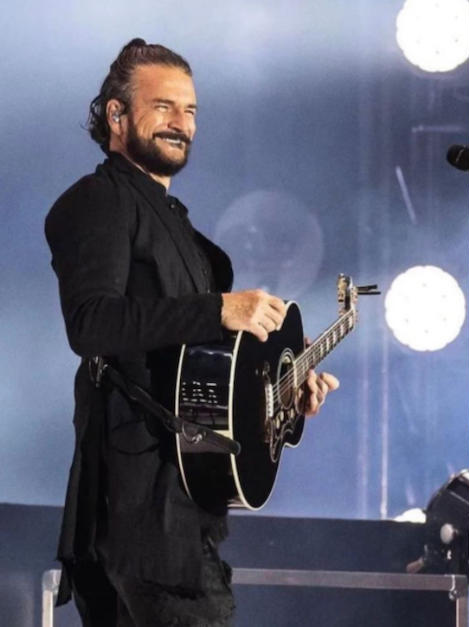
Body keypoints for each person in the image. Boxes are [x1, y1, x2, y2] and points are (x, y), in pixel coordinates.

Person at [44, 39, 338, 626]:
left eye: (192, 111)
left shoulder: (177, 226)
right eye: (165, 107)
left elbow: (202, 375)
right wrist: (218, 310)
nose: (183, 124)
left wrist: (277, 401)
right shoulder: (97, 202)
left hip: (184, 500)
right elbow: (91, 324)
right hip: (138, 506)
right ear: (116, 115)